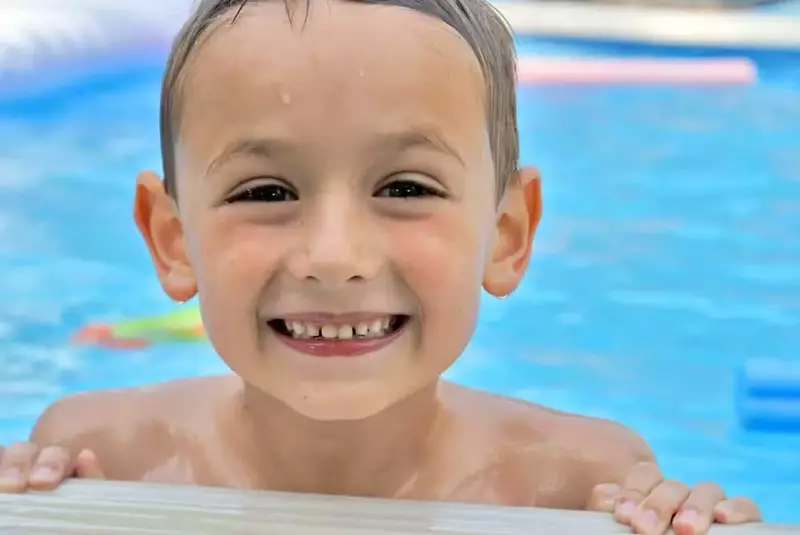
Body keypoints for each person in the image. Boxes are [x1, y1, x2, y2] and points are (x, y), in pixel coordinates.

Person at [0, 0, 761, 534]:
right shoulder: (103, 457)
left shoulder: (576, 484)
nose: (335, 257)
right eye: (266, 191)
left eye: (405, 188)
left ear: (506, 233)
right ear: (171, 239)